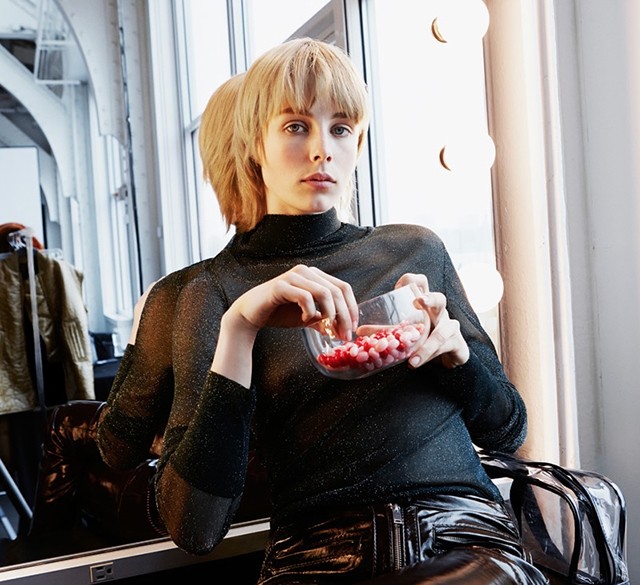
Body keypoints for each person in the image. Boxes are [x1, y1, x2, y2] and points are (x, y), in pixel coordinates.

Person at [96, 38, 548, 583]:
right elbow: (194, 528)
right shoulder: (210, 293)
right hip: (317, 558)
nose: (321, 150)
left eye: (340, 129)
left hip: (461, 534)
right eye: (295, 126)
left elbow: (507, 431)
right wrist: (241, 327)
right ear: (253, 143)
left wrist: (459, 360)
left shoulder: (413, 250)